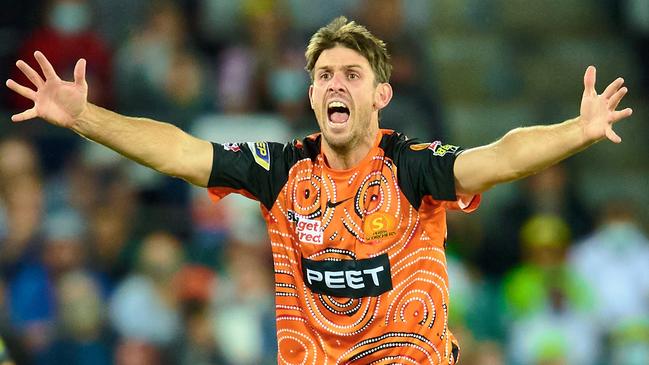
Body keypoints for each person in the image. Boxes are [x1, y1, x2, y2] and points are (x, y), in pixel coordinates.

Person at [5, 16, 632, 365]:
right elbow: (179, 152)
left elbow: (497, 158)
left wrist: (576, 131)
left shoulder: (412, 168)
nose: (336, 83)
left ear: (380, 95)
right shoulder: (281, 170)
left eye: (352, 74)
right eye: (324, 74)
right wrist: (87, 118)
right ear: (311, 95)